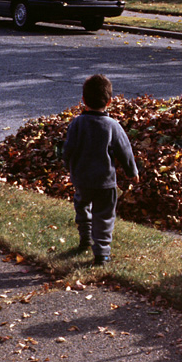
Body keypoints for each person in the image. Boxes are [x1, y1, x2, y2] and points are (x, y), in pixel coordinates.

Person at [63, 74, 139, 266]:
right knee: (104, 215)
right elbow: (125, 151)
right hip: (105, 181)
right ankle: (102, 253)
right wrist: (132, 172)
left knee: (82, 207)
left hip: (82, 178)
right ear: (110, 101)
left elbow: (68, 149)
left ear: (83, 100)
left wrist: (67, 166)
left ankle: (85, 238)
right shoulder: (113, 126)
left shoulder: (77, 124)